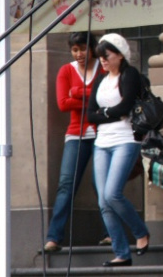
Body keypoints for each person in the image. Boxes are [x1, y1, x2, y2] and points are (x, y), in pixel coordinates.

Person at [87, 33, 150, 267]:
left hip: (126, 138)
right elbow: (90, 113)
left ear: (120, 55)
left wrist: (103, 114)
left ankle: (141, 232)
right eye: (100, 56)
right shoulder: (100, 80)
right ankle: (121, 252)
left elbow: (126, 105)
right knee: (103, 201)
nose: (102, 60)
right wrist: (109, 113)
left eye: (107, 56)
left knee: (112, 193)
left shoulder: (129, 74)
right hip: (101, 142)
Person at [44, 32, 105, 253]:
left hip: (102, 133)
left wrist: (78, 92)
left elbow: (106, 98)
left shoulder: (103, 67)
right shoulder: (66, 70)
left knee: (102, 186)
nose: (79, 54)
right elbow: (62, 103)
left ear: (93, 48)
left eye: (83, 48)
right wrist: (92, 99)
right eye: (75, 49)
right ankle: (54, 237)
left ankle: (110, 233)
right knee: (66, 186)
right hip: (75, 134)